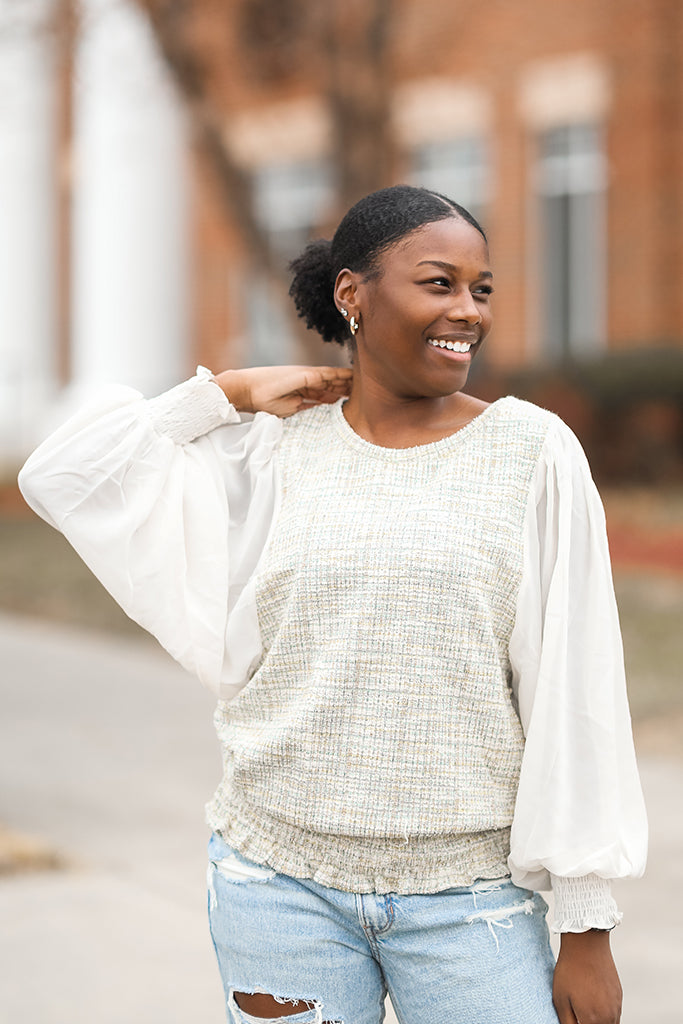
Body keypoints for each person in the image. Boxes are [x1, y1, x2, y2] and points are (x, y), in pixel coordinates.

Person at [19, 185, 647, 1024]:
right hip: (276, 888)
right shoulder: (274, 446)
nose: (467, 310)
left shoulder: (530, 452)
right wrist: (228, 392)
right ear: (353, 293)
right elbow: (63, 475)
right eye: (438, 283)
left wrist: (586, 923)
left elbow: (577, 694)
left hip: (469, 903)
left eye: (481, 288)